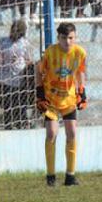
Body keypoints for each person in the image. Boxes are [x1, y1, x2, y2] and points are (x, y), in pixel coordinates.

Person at [35, 22, 87, 187]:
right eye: (64, 38)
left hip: (69, 100)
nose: (68, 42)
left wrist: (82, 92)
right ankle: (50, 177)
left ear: (75, 37)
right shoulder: (51, 53)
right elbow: (38, 70)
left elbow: (80, 72)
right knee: (51, 133)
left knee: (71, 133)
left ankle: (70, 177)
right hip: (51, 100)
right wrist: (39, 93)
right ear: (58, 38)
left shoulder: (80, 53)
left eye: (71, 38)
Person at [0, 19, 36, 130]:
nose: (14, 32)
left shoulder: (24, 44)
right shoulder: (3, 41)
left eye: (17, 30)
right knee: (8, 105)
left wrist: (19, 61)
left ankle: (21, 124)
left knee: (18, 104)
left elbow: (29, 60)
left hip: (19, 77)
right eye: (13, 29)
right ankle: (8, 126)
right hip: (4, 78)